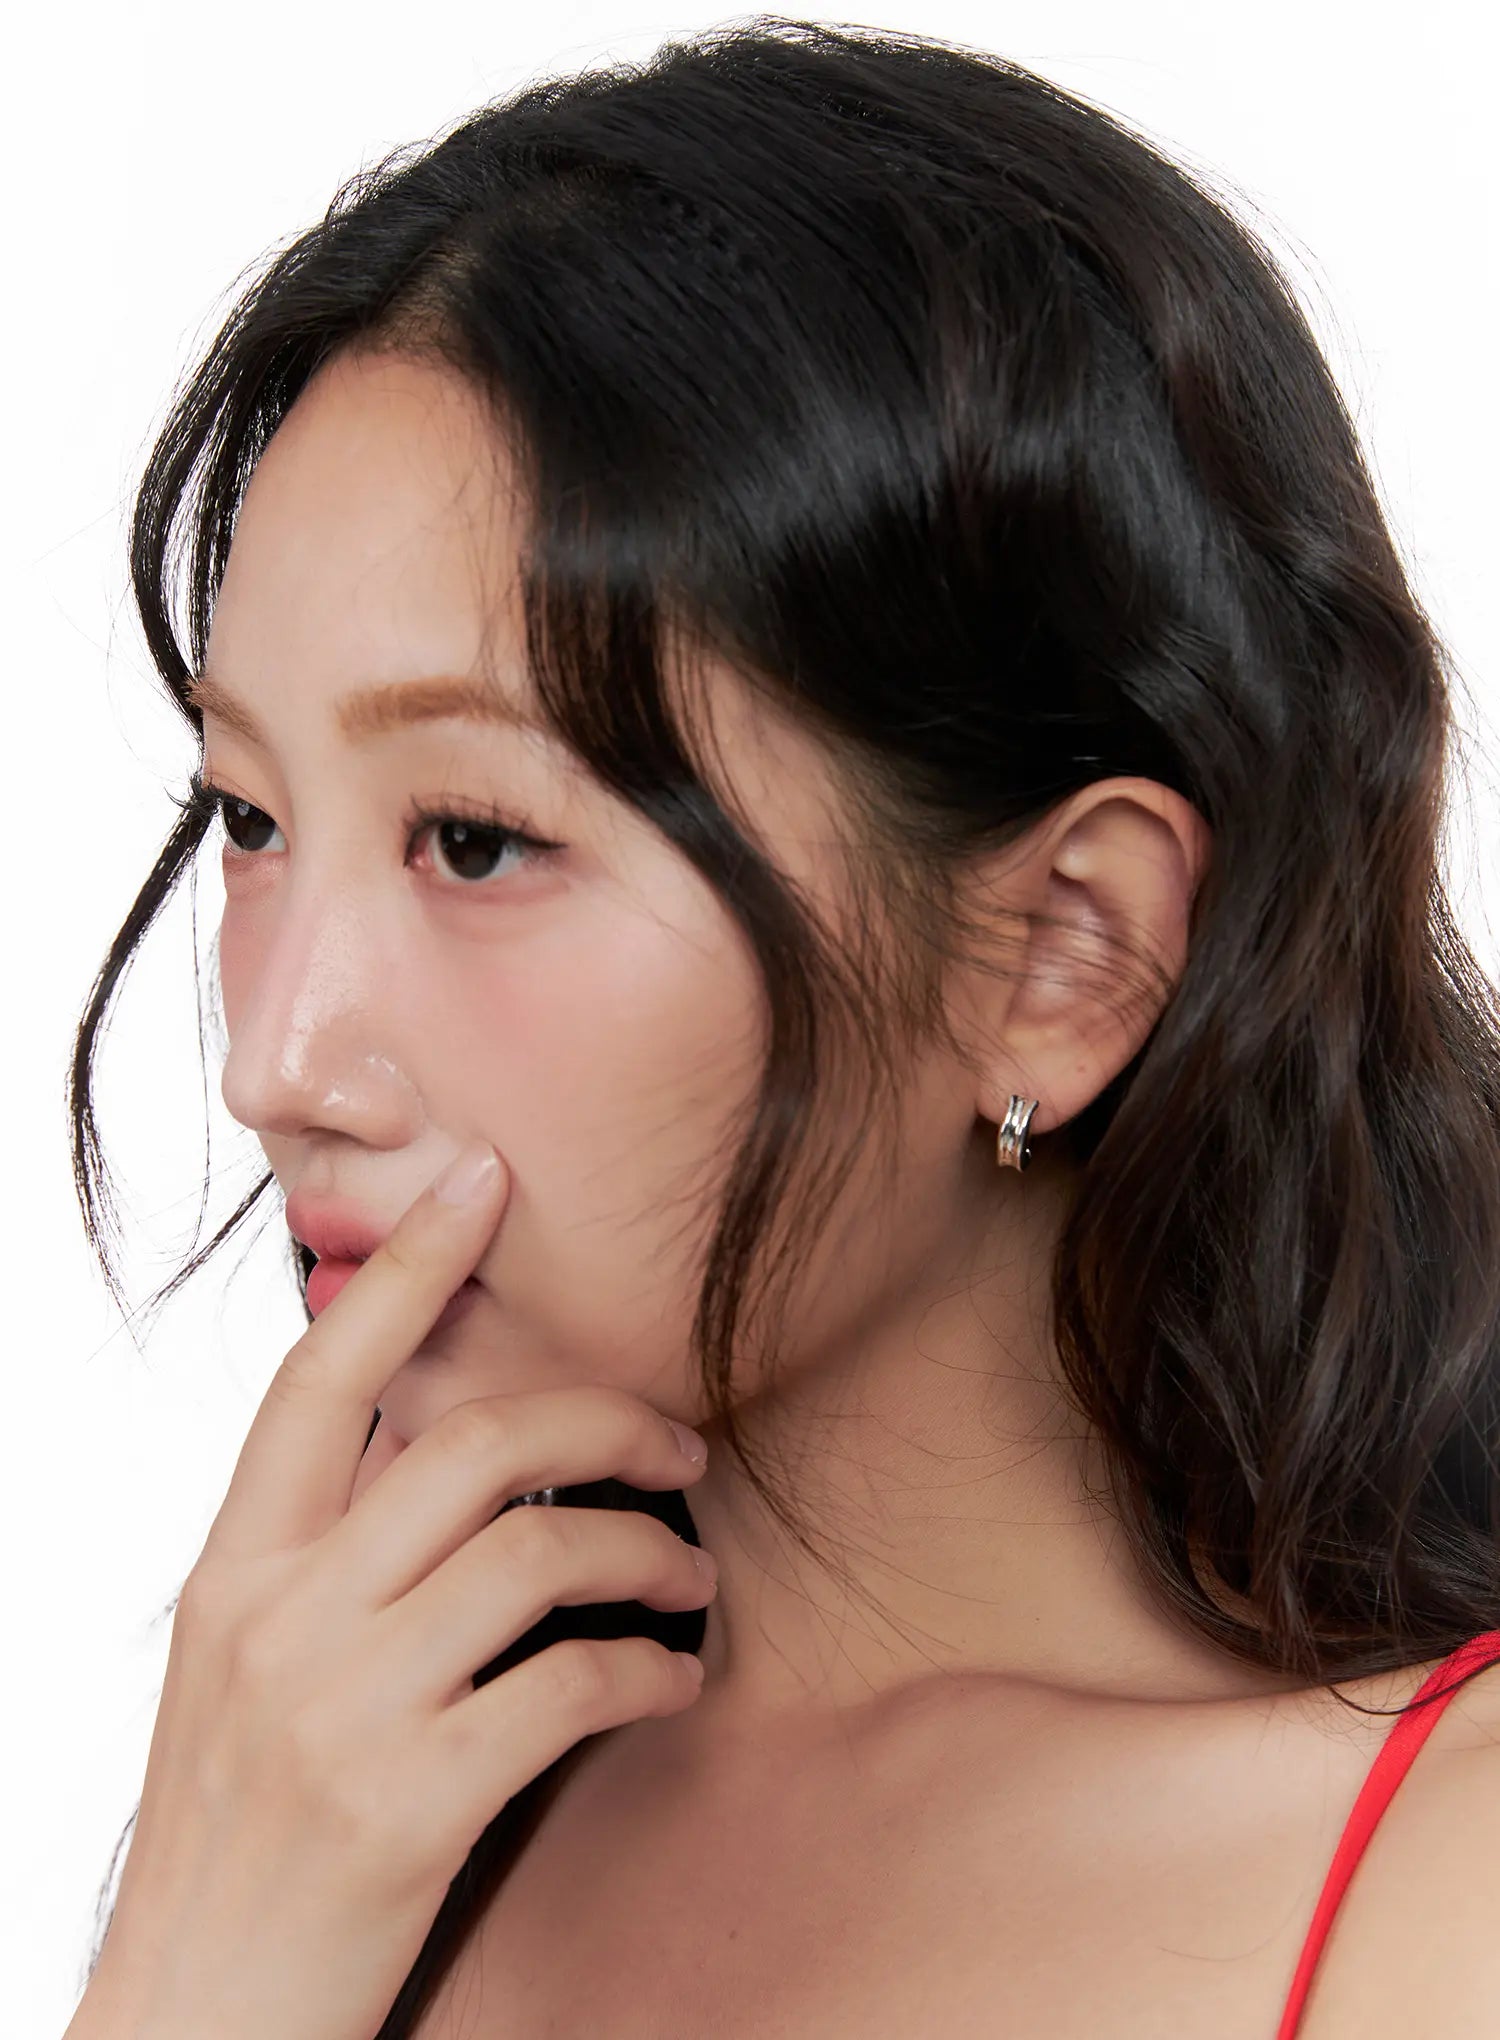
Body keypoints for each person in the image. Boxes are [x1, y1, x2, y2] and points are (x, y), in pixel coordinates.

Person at [64, 20, 1500, 2040]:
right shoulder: (332, 1781)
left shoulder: (1447, 1889)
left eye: (476, 839)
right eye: (250, 817)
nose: (275, 1066)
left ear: (1063, 956)